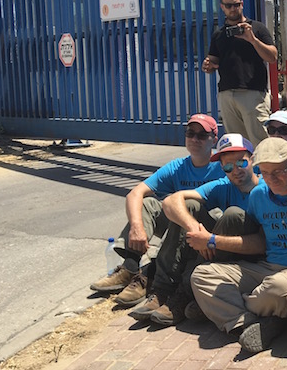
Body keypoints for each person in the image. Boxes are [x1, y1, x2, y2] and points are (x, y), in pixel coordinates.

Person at [190, 137, 287, 353]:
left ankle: (236, 309)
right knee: (202, 275)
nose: (270, 179)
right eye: (264, 172)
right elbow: (260, 242)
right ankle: (250, 322)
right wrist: (212, 240)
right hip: (267, 268)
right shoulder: (259, 195)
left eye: (277, 172)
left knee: (278, 289)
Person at [128, 134, 262, 326]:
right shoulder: (224, 186)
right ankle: (162, 290)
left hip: (254, 258)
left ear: (253, 160)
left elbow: (263, 244)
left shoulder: (266, 189)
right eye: (227, 166)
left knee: (233, 215)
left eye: (241, 162)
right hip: (225, 253)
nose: (235, 170)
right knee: (188, 206)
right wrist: (194, 228)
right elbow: (171, 201)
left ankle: (185, 292)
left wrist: (211, 240)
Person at [89, 114, 223, 306]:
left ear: (214, 140)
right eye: (190, 133)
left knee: (189, 204)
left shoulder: (221, 167)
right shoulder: (178, 167)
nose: (195, 139)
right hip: (180, 225)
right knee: (148, 204)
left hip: (206, 231)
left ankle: (153, 276)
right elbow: (135, 194)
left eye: (202, 135)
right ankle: (131, 266)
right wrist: (137, 227)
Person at [202, 0, 278, 146]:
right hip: (227, 94)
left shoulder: (257, 28)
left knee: (262, 142)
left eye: (236, 5)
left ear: (242, 4)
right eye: (228, 6)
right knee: (237, 145)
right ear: (222, 7)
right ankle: (243, 171)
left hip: (253, 94)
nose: (233, 9)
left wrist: (252, 40)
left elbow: (272, 57)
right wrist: (208, 65)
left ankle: (266, 171)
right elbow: (212, 61)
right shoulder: (219, 35)